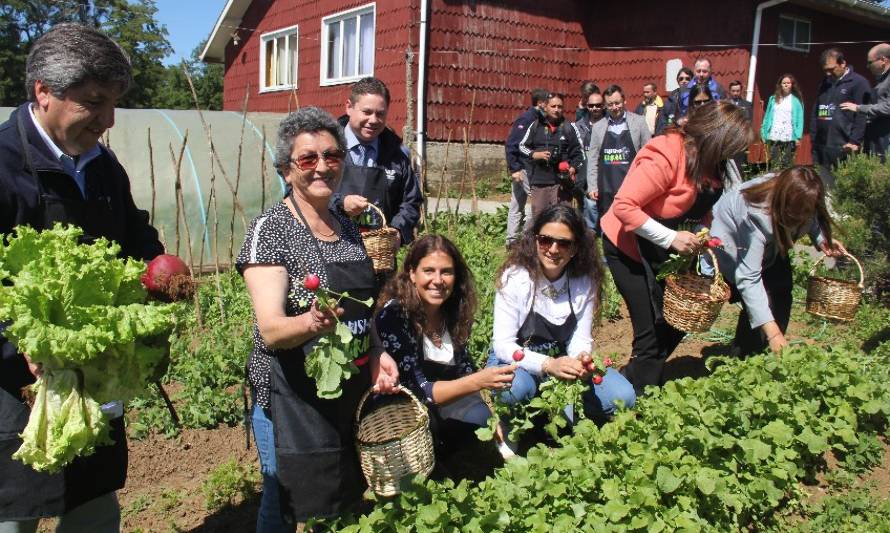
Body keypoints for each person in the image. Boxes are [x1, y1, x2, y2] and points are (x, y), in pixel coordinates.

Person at [0, 23, 164, 532]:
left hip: (95, 374)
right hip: (15, 382)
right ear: (43, 92)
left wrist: (160, 274)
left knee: (93, 508)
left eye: (113, 103)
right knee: (15, 513)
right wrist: (23, 343)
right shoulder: (4, 165)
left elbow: (135, 237)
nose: (108, 119)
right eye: (94, 101)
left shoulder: (102, 166)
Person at [237, 107, 399, 529]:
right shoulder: (270, 230)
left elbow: (365, 303)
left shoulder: (346, 224)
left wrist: (378, 349)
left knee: (340, 492)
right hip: (293, 399)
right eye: (308, 159)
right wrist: (309, 324)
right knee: (284, 502)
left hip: (345, 388)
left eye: (332, 156)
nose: (322, 167)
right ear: (287, 170)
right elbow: (271, 330)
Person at [599, 102, 754, 395]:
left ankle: (632, 376)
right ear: (716, 138)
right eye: (731, 147)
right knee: (650, 332)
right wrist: (671, 238)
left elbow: (702, 206)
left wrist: (703, 232)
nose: (733, 155)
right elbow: (623, 206)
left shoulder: (713, 164)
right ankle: (639, 400)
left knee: (676, 321)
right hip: (628, 248)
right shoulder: (667, 153)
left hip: (666, 251)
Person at [374, 235, 516, 468]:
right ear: (412, 273)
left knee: (481, 418)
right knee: (447, 425)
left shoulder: (451, 310)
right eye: (429, 271)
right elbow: (420, 391)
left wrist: (491, 419)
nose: (438, 280)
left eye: (446, 272)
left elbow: (464, 367)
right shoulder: (394, 316)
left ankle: (455, 461)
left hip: (445, 403)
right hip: (404, 410)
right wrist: (479, 381)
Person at [487, 205, 636, 425]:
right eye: (546, 240)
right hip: (517, 362)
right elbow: (503, 345)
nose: (553, 249)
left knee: (623, 395)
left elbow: (581, 336)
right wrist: (547, 365)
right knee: (513, 390)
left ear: (575, 248)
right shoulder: (516, 279)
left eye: (564, 243)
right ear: (535, 240)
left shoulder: (584, 281)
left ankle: (554, 411)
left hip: (562, 361)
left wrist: (581, 359)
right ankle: (514, 421)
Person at [709, 166, 845, 357]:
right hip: (730, 246)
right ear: (785, 206)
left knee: (780, 290)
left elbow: (811, 217)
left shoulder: (799, 191)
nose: (803, 218)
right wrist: (773, 334)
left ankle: (763, 354)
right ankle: (744, 361)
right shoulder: (757, 214)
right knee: (758, 296)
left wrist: (821, 239)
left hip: (772, 246)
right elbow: (748, 278)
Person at [334, 77, 423, 247]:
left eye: (380, 114)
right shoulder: (326, 149)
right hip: (329, 258)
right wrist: (340, 202)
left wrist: (397, 231)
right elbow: (303, 193)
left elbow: (411, 202)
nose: (373, 120)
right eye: (367, 112)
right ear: (349, 107)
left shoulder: (397, 155)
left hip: (378, 259)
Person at [587, 85, 652, 233]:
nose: (615, 107)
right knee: (608, 227)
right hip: (606, 186)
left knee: (632, 226)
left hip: (632, 184)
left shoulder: (639, 122)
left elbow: (648, 155)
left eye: (617, 103)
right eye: (610, 104)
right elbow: (593, 159)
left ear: (624, 100)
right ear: (605, 105)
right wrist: (592, 186)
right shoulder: (598, 127)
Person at [811, 48, 871, 187]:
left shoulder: (859, 83)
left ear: (843, 63)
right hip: (822, 148)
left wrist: (855, 140)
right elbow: (816, 111)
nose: (828, 73)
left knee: (843, 189)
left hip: (844, 148)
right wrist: (814, 139)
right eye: (825, 70)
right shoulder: (825, 83)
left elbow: (862, 115)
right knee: (823, 189)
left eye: (831, 69)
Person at [518, 93, 583, 219]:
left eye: (560, 106)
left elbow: (579, 154)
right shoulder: (535, 126)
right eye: (553, 106)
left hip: (562, 184)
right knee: (539, 220)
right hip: (539, 183)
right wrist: (534, 154)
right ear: (546, 107)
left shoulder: (569, 127)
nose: (557, 109)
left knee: (563, 220)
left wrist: (573, 168)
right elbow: (521, 146)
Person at [505, 88, 549, 245]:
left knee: (520, 203)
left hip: (531, 168)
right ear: (541, 103)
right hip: (523, 169)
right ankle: (518, 240)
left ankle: (516, 240)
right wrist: (515, 168)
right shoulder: (526, 119)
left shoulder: (540, 119)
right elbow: (511, 144)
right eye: (548, 102)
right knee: (531, 202)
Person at [840, 43, 890, 161]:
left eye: (870, 62)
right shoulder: (883, 79)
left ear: (883, 60)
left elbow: (888, 107)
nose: (867, 66)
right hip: (878, 140)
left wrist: (859, 108)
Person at [572, 91, 606, 230]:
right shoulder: (579, 125)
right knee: (586, 203)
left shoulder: (610, 123)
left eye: (598, 105)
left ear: (603, 105)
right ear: (586, 106)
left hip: (604, 168)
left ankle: (603, 229)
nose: (594, 108)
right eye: (591, 105)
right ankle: (589, 231)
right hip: (585, 170)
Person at [761, 74, 805, 170]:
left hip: (789, 136)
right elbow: (767, 117)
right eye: (784, 83)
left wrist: (798, 136)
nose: (786, 85)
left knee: (786, 164)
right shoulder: (773, 99)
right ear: (780, 85)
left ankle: (785, 183)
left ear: (792, 85)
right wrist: (764, 132)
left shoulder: (796, 101)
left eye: (788, 83)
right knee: (774, 163)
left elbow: (800, 119)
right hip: (774, 135)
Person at [660, 67, 693, 133]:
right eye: (681, 79)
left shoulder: (698, 98)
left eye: (687, 79)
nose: (684, 81)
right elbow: (663, 121)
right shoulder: (671, 99)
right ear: (678, 81)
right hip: (674, 134)